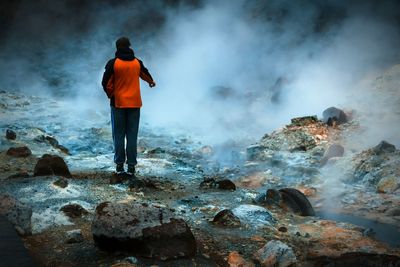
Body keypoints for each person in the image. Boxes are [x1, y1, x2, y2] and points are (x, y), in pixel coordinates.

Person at [101, 37, 155, 179]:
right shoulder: (137, 62)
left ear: (117, 48)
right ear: (130, 46)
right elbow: (146, 74)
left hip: (118, 103)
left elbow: (105, 82)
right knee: (132, 136)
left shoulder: (113, 63)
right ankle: (131, 167)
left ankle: (119, 166)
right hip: (135, 104)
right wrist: (151, 82)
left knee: (118, 135)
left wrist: (111, 94)